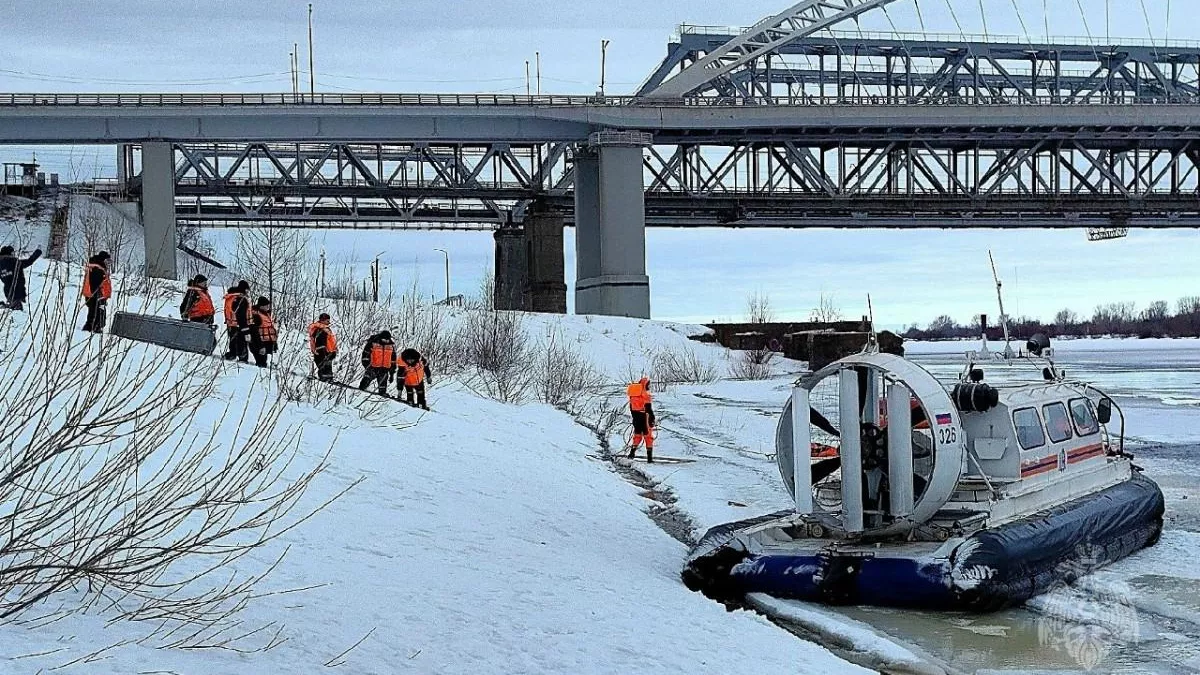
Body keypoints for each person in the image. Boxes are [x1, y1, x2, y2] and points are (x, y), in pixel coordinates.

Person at [0, 245, 42, 311]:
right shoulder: (13, 262)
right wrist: (38, 252)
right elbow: (29, 261)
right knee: (17, 310)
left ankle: (6, 307)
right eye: (12, 253)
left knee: (13, 308)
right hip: (18, 289)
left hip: (7, 290)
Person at [626, 376, 656, 462]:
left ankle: (632, 454)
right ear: (645, 385)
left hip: (636, 418)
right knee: (648, 437)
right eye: (648, 385)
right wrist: (652, 418)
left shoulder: (632, 396)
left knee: (637, 435)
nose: (649, 386)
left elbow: (631, 409)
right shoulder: (645, 395)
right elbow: (648, 409)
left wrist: (635, 418)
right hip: (645, 417)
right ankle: (649, 459)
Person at [81, 251, 112, 333]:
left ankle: (89, 326)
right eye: (107, 260)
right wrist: (100, 296)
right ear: (103, 259)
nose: (108, 262)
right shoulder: (97, 268)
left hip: (91, 294)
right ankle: (96, 327)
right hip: (96, 295)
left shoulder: (95, 266)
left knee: (92, 311)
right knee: (97, 311)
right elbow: (97, 283)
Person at [359, 330, 396, 396]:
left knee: (383, 384)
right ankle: (360, 390)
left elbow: (393, 360)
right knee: (366, 381)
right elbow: (365, 355)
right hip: (373, 367)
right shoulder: (372, 343)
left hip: (384, 369)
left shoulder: (391, 346)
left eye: (387, 340)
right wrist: (367, 366)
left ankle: (382, 393)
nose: (386, 341)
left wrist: (392, 373)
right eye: (384, 339)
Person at [222, 281, 252, 362]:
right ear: (245, 290)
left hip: (231, 324)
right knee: (241, 344)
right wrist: (245, 330)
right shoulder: (241, 299)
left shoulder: (232, 296)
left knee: (233, 342)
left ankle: (232, 354)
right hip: (239, 325)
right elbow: (241, 316)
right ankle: (243, 359)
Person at [249, 297, 278, 369]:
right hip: (258, 343)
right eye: (266, 305)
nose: (268, 307)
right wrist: (260, 346)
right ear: (261, 306)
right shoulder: (256, 316)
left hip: (265, 342)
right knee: (261, 363)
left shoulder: (266, 314)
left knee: (263, 362)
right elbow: (254, 332)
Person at [308, 313, 337, 382]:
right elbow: (320, 342)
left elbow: (329, 342)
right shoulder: (320, 330)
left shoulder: (325, 329)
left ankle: (329, 378)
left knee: (328, 366)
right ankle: (324, 378)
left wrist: (333, 351)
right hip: (322, 352)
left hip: (328, 351)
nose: (329, 322)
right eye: (327, 321)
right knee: (323, 365)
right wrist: (323, 351)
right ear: (322, 320)